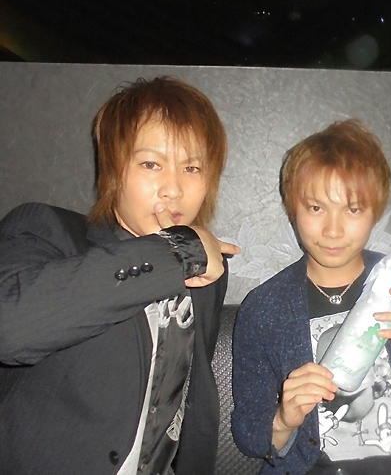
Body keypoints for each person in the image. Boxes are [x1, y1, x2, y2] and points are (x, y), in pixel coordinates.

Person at [0, 76, 239, 475]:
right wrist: (176, 252)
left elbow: (191, 396)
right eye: (151, 164)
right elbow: (10, 329)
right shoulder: (48, 231)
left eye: (192, 167)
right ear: (114, 168)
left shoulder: (209, 268)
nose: (174, 189)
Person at [232, 119, 391, 475]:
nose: (333, 230)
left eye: (353, 209)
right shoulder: (264, 308)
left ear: (375, 213)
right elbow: (251, 437)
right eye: (316, 208)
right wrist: (284, 418)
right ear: (293, 209)